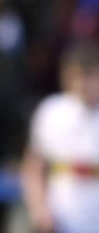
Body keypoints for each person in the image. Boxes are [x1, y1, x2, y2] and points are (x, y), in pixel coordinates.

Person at [21, 41, 99, 233]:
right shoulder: (51, 111)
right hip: (63, 207)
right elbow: (34, 167)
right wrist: (39, 210)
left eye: (90, 76)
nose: (84, 84)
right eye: (78, 76)